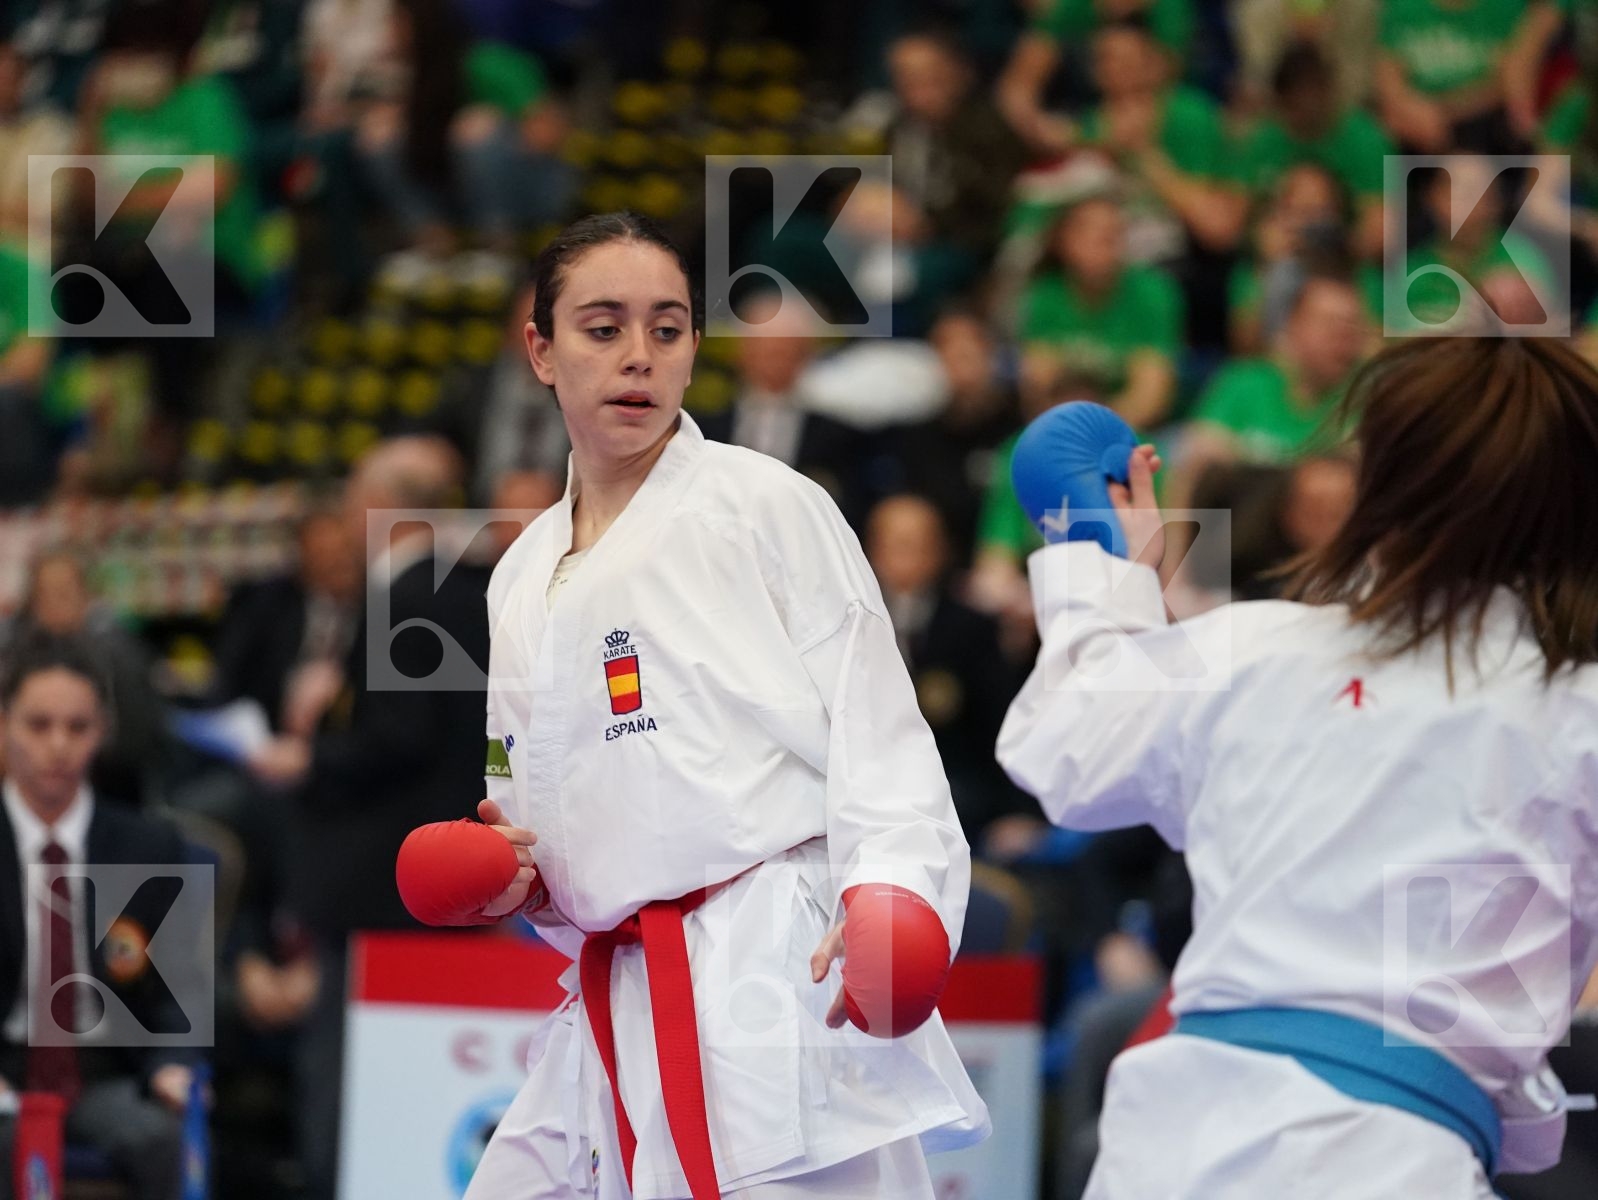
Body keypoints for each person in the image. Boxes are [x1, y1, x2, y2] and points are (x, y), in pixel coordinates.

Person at [427, 212, 989, 1199]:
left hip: (771, 976)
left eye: (667, 327)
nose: (638, 356)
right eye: (602, 329)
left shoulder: (767, 505)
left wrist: (891, 894)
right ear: (540, 350)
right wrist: (516, 878)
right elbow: (530, 804)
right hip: (616, 994)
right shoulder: (517, 575)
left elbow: (878, 727)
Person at [997, 335, 1598, 1197]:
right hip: (1391, 1159)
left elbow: (1066, 751)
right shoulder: (1576, 712)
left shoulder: (1252, 647)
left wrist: (1106, 577)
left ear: (1384, 488)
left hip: (1169, 1145)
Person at [0, 631, 200, 1200]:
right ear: (4, 725)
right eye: (39, 725)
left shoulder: (146, 843)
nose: (58, 746)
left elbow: (181, 988)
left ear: (102, 733)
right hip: (6, 1066)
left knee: (162, 1141)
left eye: (77, 727)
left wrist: (173, 1065)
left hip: (102, 1070)